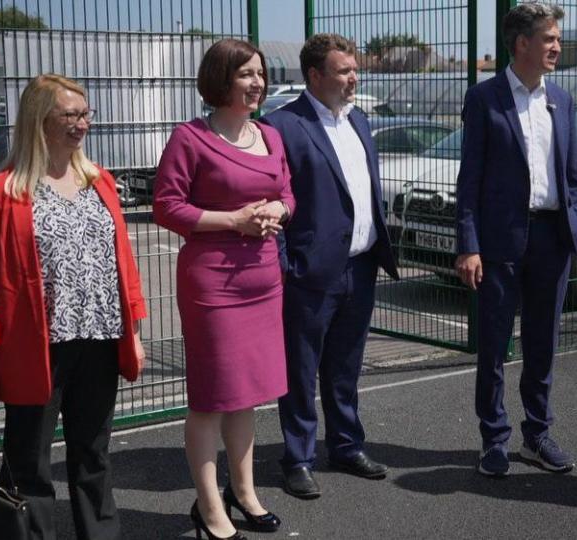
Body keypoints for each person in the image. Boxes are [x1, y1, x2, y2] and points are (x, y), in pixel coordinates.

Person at [0, 73, 147, 540]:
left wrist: (136, 332)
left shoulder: (101, 181)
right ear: (38, 120)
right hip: (36, 347)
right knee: (29, 461)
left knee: (94, 455)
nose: (82, 123)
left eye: (85, 114)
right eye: (70, 114)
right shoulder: (1, 192)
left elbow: (121, 261)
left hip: (101, 339)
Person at [153, 39, 294, 539]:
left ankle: (246, 492)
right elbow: (167, 206)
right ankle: (210, 506)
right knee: (211, 398)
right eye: (245, 75)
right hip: (213, 284)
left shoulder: (270, 136)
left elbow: (286, 193)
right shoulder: (190, 138)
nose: (257, 83)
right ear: (220, 80)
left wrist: (280, 210)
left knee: (247, 396)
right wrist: (232, 220)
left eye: (260, 73)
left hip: (263, 280)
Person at [261, 33, 399, 499]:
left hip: (361, 266)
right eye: (343, 70)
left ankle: (345, 445)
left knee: (345, 365)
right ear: (315, 76)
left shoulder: (357, 120)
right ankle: (298, 457)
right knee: (301, 369)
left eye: (354, 69)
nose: (353, 77)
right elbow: (270, 202)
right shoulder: (281, 126)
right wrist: (286, 268)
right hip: (310, 273)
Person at [454, 3, 577, 477]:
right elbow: (469, 181)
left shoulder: (563, 100)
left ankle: (537, 434)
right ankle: (493, 439)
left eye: (556, 37)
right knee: (493, 345)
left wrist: (575, 224)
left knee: (543, 341)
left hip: (552, 237)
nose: (556, 45)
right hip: (498, 242)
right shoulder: (485, 98)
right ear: (522, 43)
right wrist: (468, 245)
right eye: (548, 38)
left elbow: (570, 175)